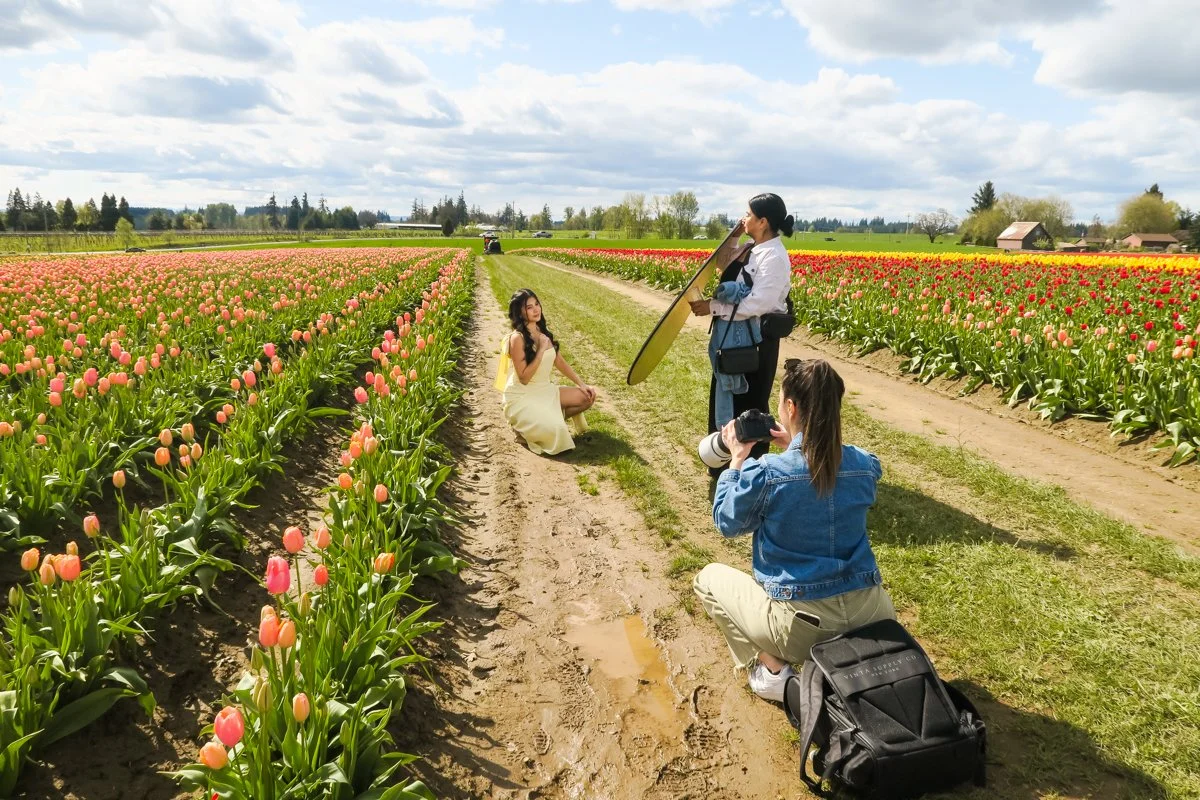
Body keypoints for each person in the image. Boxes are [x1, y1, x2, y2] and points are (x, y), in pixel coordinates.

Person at [693, 358, 896, 702]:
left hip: (804, 629)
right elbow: (835, 467)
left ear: (790, 407)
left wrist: (736, 460)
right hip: (874, 617)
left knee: (708, 579)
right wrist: (797, 445)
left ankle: (774, 671)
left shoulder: (768, 473)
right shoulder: (864, 466)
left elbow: (726, 522)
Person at [690, 193, 795, 477]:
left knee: (749, 404)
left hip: (757, 342)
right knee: (725, 394)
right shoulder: (751, 247)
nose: (743, 218)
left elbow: (759, 304)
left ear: (763, 222)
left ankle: (750, 471)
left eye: (748, 214)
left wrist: (713, 307)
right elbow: (723, 263)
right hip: (732, 337)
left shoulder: (774, 257)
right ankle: (722, 461)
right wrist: (734, 235)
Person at [498, 288, 596, 455]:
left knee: (587, 397)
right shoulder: (517, 338)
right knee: (557, 429)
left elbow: (559, 361)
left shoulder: (542, 331)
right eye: (529, 307)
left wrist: (581, 384)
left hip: (545, 390)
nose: (536, 310)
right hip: (523, 395)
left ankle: (546, 420)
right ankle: (525, 428)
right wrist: (541, 350)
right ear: (520, 312)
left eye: (537, 304)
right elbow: (524, 378)